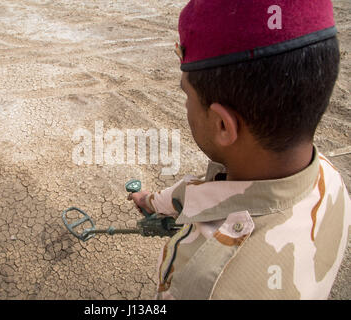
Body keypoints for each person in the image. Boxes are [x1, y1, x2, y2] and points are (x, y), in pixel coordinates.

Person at [128, 0, 350, 299]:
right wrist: (149, 200)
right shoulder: (329, 178)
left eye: (187, 94)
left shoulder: (205, 286)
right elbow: (200, 192)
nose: (185, 105)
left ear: (223, 125)